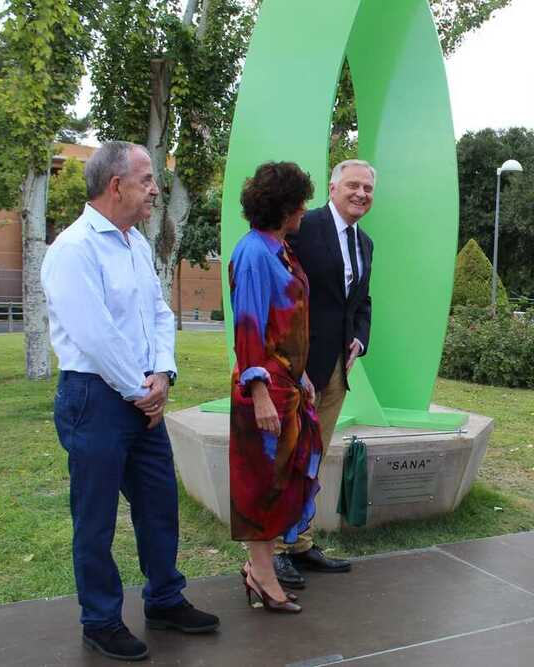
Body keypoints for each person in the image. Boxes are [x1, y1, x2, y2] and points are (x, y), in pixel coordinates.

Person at [41, 141, 219, 662]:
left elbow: (159, 315)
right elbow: (94, 335)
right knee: (94, 519)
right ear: (115, 185)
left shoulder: (136, 244)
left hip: (142, 392)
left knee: (159, 504)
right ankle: (100, 619)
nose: (155, 190)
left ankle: (164, 598)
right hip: (95, 398)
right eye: (147, 180)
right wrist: (142, 389)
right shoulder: (73, 250)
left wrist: (162, 372)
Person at [271, 159, 375, 588]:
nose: (361, 194)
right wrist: (290, 360)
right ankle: (275, 550)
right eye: (353, 185)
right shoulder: (303, 227)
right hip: (297, 371)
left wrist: (359, 339)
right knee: (286, 459)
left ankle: (301, 543)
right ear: (332, 187)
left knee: (313, 461)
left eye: (368, 189)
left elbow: (361, 302)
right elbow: (281, 290)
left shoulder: (365, 242)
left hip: (335, 372)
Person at [228, 161, 321, 615]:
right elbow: (248, 329)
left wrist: (301, 375)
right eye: (300, 201)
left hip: (287, 386)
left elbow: (287, 325)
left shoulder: (280, 249)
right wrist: (259, 391)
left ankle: (257, 573)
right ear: (284, 206)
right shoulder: (253, 254)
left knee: (279, 480)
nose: (305, 209)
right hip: (262, 390)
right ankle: (262, 576)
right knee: (262, 485)